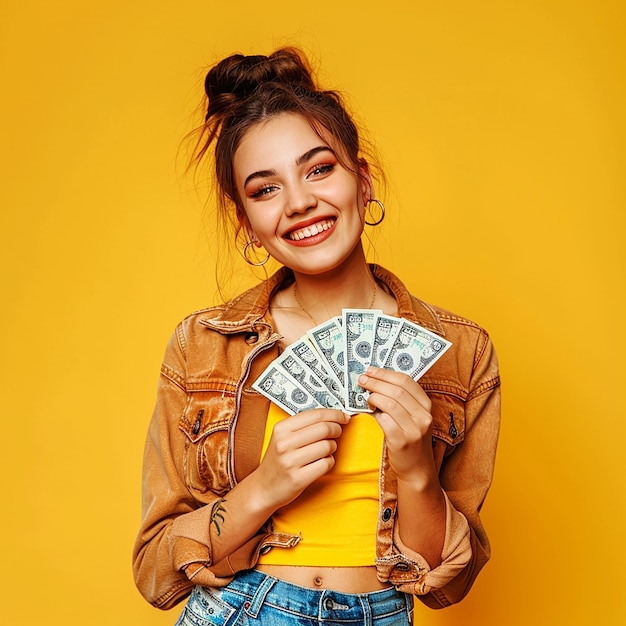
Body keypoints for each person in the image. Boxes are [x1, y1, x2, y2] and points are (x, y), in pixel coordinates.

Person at [132, 47, 501, 625]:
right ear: (246, 224)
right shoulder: (203, 345)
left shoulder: (462, 352)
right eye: (264, 189)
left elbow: (445, 586)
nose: (300, 202)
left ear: (363, 180)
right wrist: (266, 487)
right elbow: (156, 570)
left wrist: (415, 470)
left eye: (319, 168)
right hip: (238, 610)